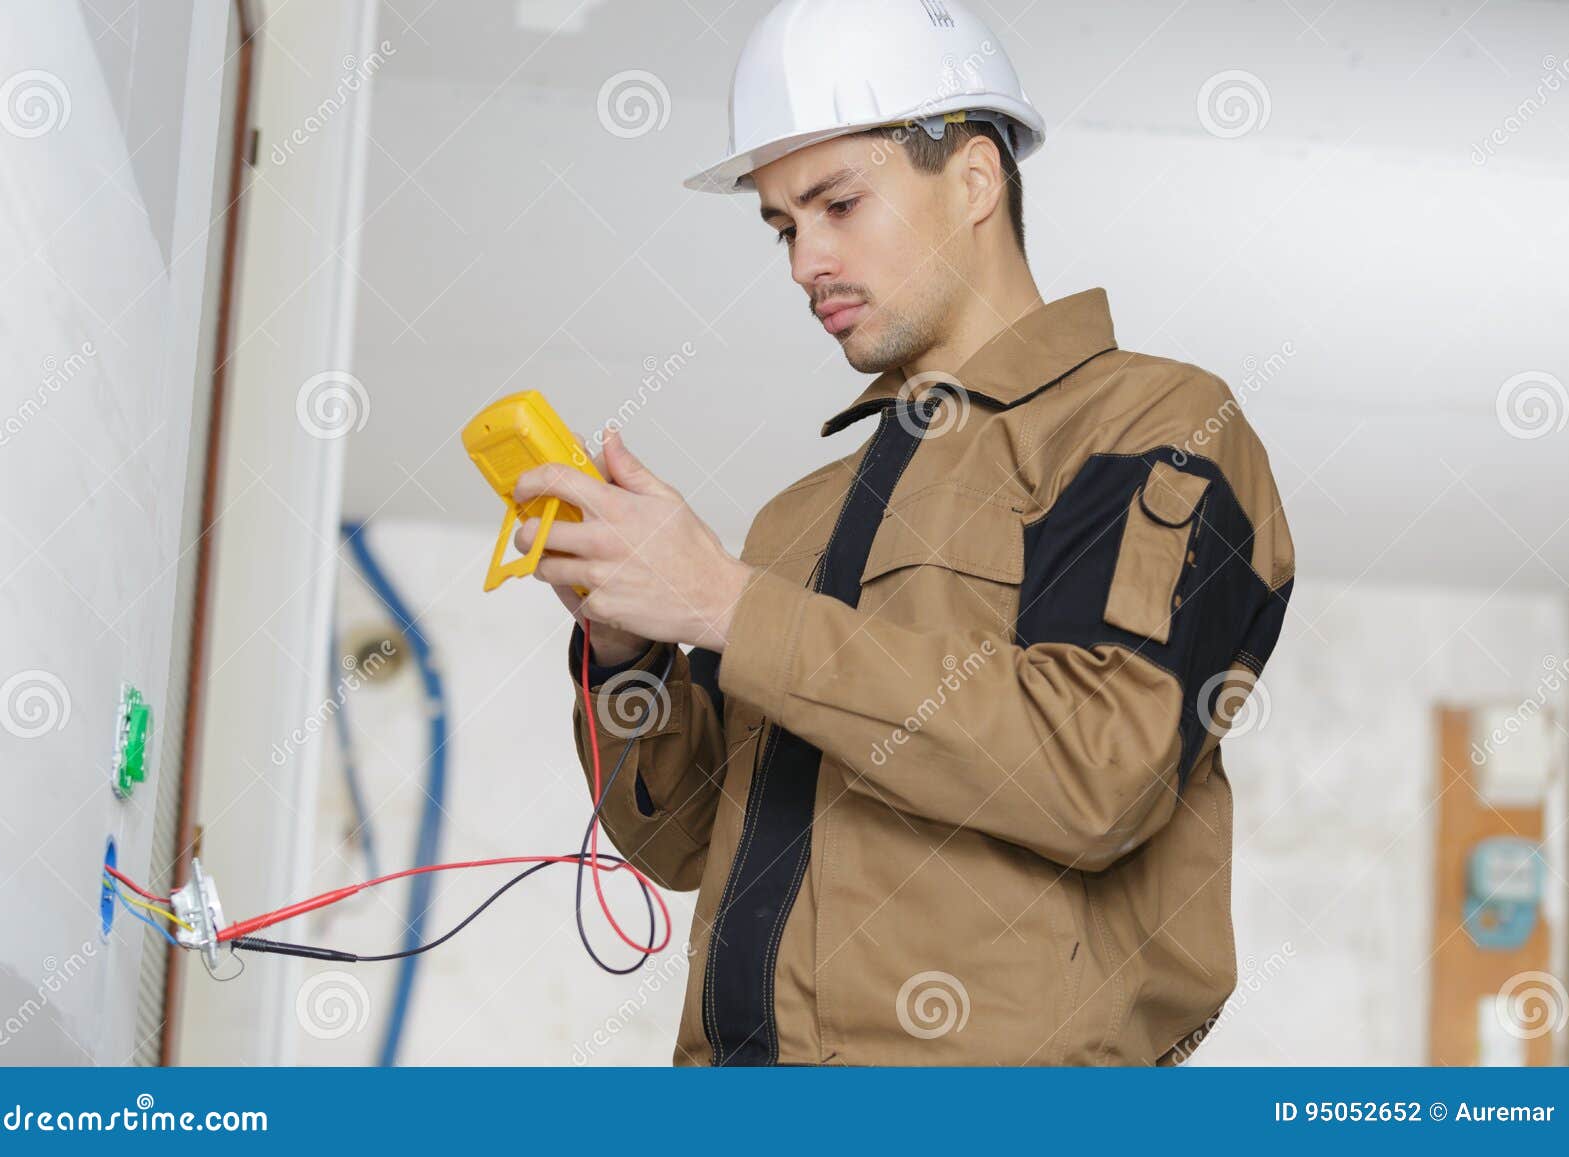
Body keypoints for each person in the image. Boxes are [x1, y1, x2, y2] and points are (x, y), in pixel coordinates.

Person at [512, 0, 1296, 1066]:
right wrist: (627, 642)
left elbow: (1094, 773)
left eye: (838, 204)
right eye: (785, 226)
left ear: (974, 178)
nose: (802, 262)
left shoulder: (1149, 425)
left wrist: (725, 604)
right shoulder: (799, 519)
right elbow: (683, 839)